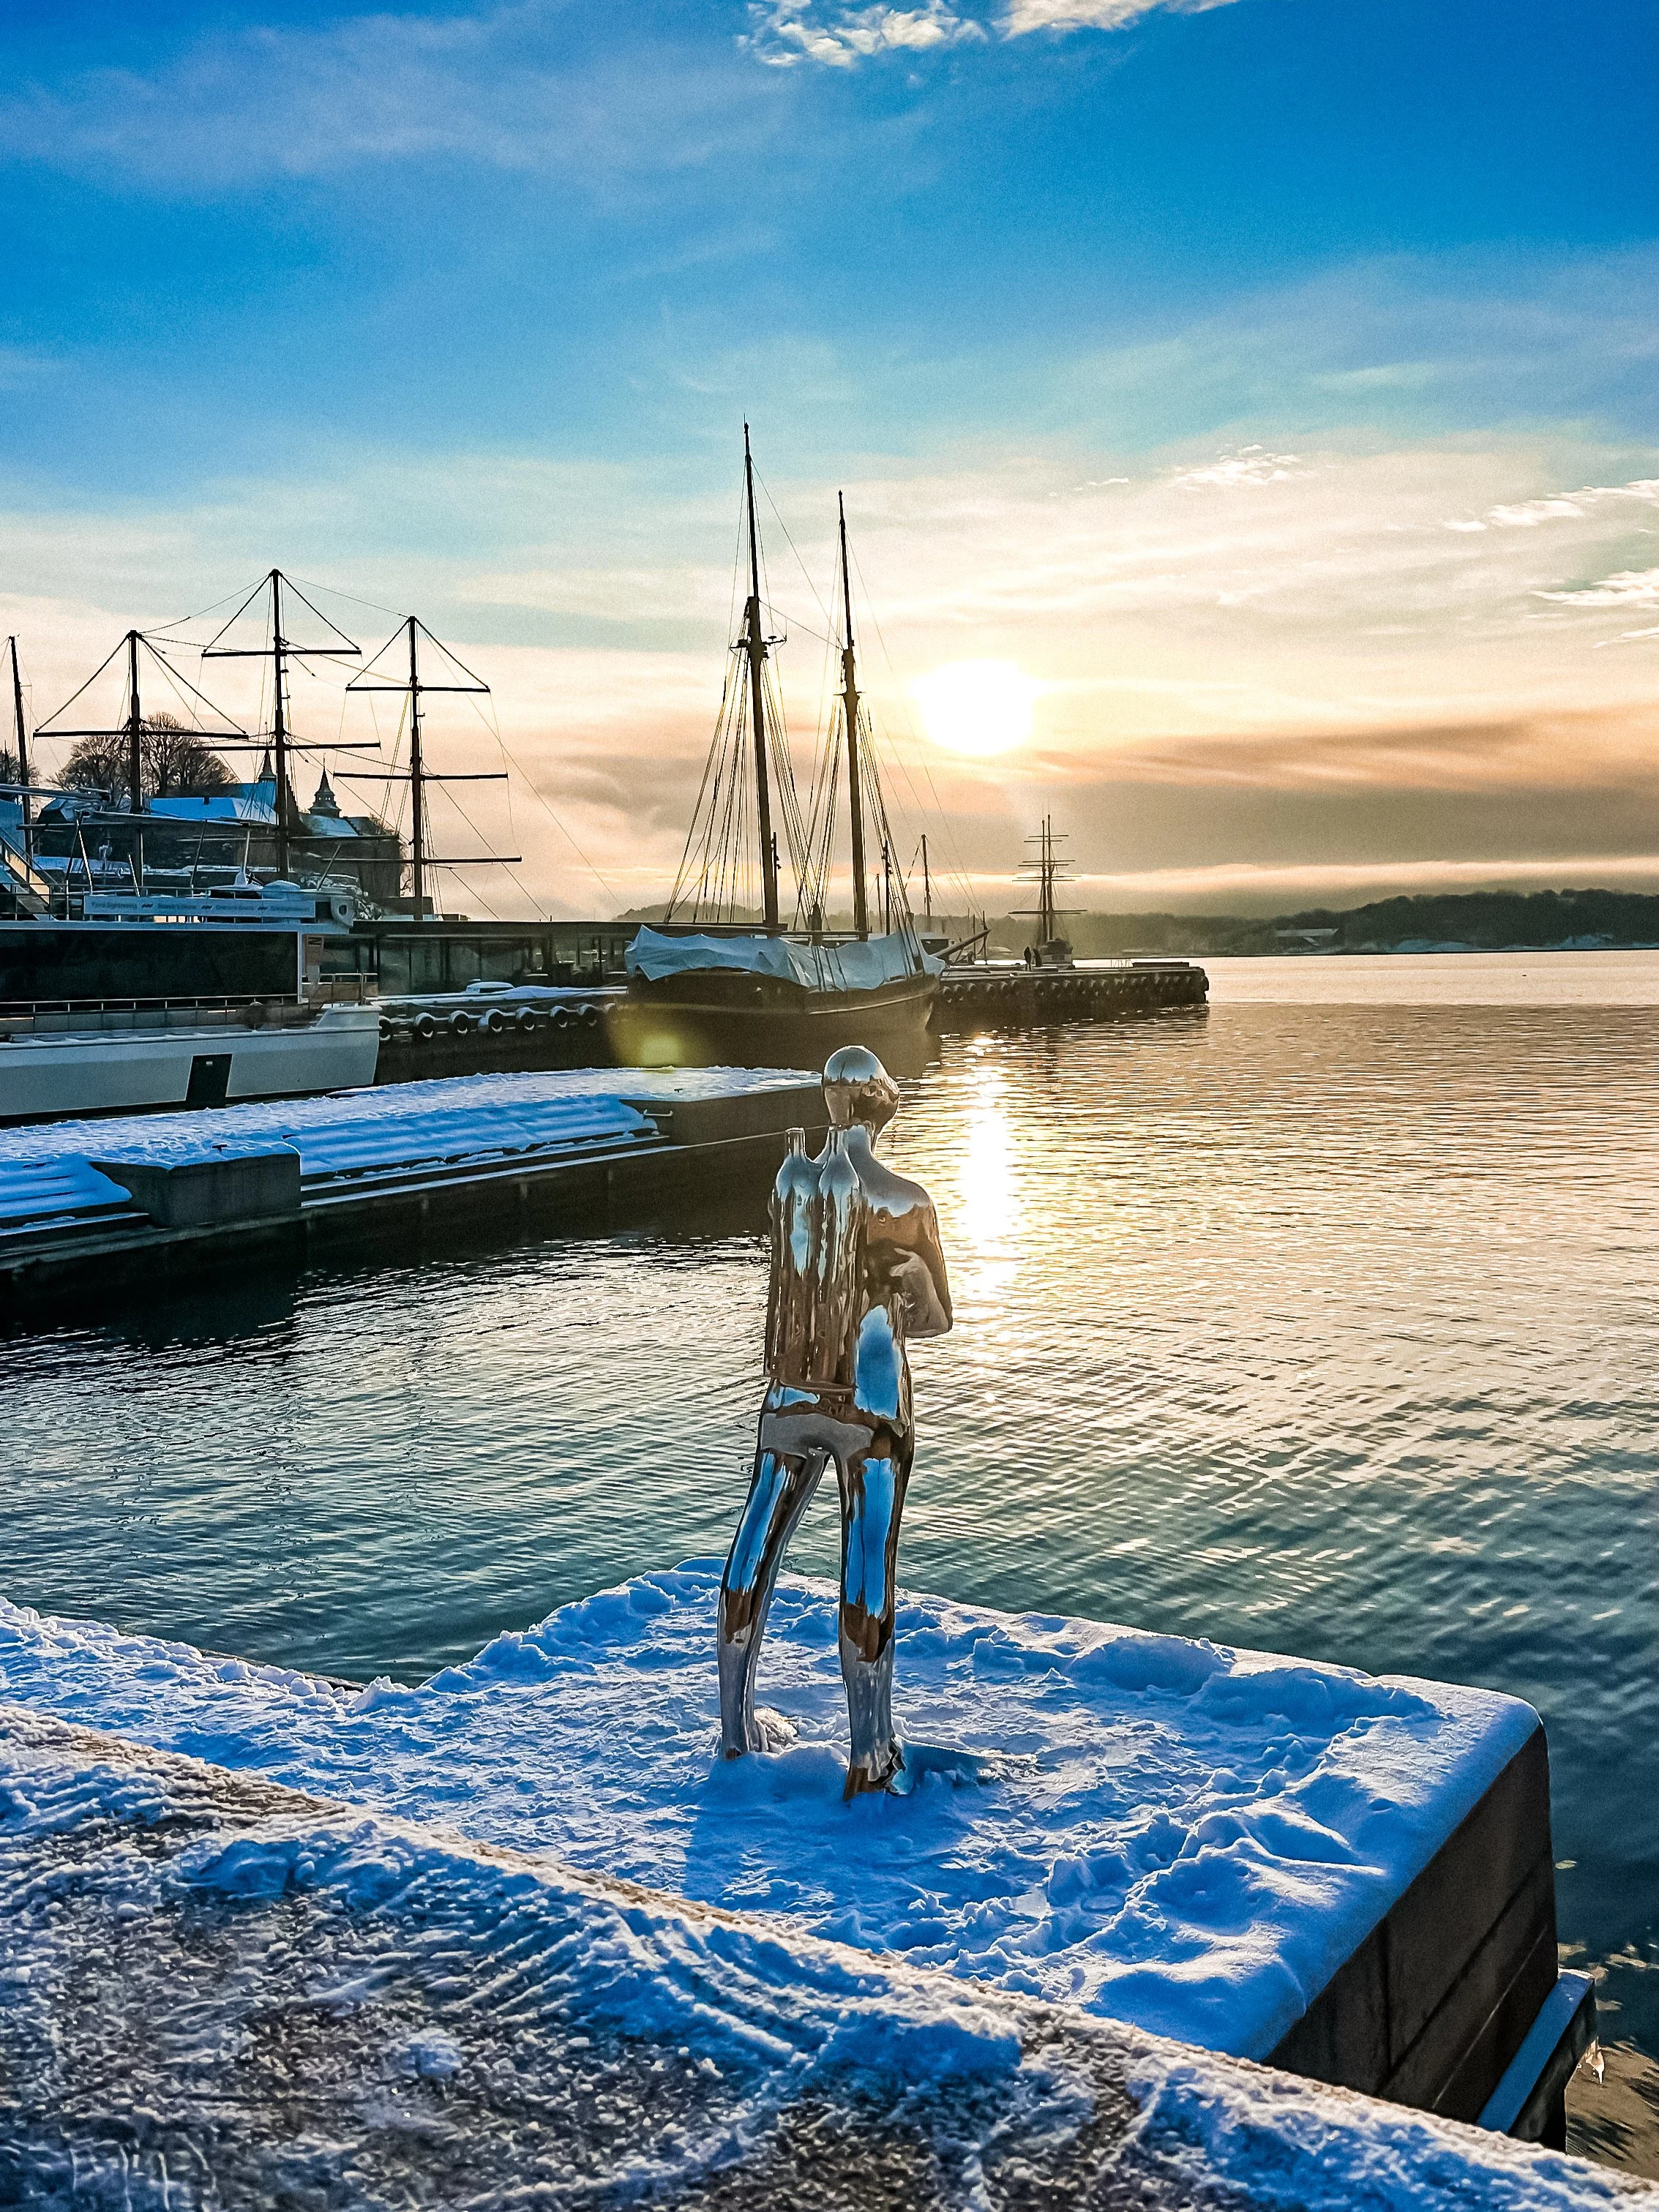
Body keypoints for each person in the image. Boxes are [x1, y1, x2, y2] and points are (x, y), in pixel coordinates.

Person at [716, 1045, 953, 1797]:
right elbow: (939, 1319)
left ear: (827, 1102)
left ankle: (732, 1727)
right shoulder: (904, 1198)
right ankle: (868, 1753)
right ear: (882, 1106)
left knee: (755, 1540)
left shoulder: (789, 1186)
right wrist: (909, 1279)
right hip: (871, 1399)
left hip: (788, 1391)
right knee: (865, 1559)